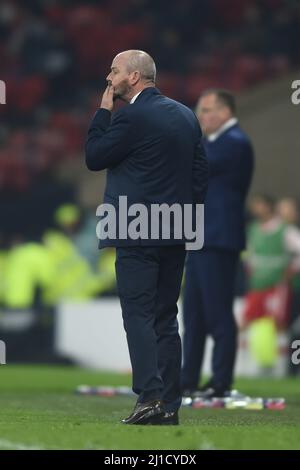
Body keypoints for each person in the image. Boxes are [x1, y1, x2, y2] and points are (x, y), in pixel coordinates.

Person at [85, 50, 208, 425]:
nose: (109, 77)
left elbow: (94, 155)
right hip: (175, 230)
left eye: (115, 71)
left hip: (136, 231)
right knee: (165, 317)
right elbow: (200, 174)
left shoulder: (131, 117)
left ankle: (150, 397)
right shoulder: (187, 115)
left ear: (134, 77)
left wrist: (103, 111)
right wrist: (183, 217)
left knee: (138, 315)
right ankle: (169, 405)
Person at [181, 89, 254, 398]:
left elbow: (197, 164)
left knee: (218, 312)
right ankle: (187, 380)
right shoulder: (215, 143)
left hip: (219, 238)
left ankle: (220, 381)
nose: (201, 117)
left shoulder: (235, 142)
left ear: (225, 112)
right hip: (201, 237)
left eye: (207, 110)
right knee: (193, 314)